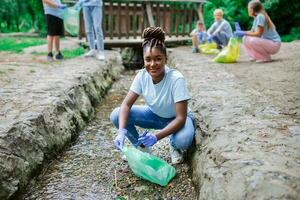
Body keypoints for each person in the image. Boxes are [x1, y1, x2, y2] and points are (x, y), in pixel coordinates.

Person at [110, 27, 195, 165]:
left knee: (183, 140)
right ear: (143, 60)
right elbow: (126, 104)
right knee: (116, 114)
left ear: (165, 59)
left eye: (158, 59)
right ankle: (141, 147)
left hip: (178, 119)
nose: (152, 64)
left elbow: (181, 117)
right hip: (154, 115)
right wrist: (121, 132)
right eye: (148, 59)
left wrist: (156, 137)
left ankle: (173, 145)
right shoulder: (142, 76)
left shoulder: (176, 79)